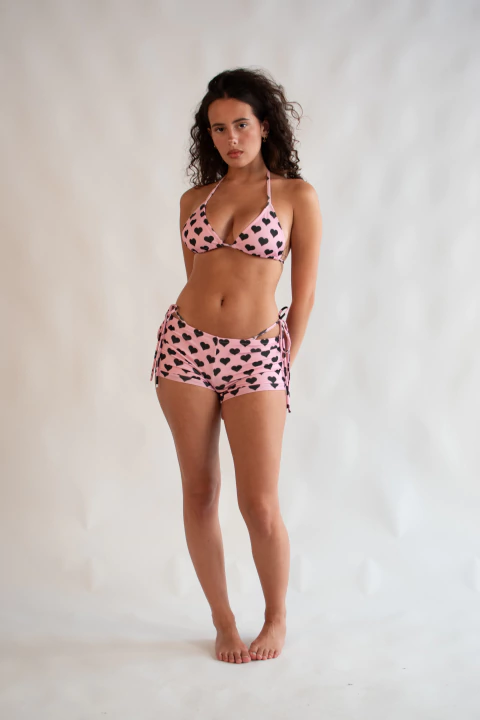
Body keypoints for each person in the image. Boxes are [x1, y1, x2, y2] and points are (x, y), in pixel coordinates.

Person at [150, 68, 322, 663]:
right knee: (200, 492)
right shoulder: (194, 200)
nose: (231, 139)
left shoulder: (296, 196)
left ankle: (275, 618)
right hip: (185, 349)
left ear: (265, 125)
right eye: (218, 129)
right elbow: (197, 276)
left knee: (260, 505)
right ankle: (223, 621)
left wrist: (278, 363)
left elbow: (303, 298)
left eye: (241, 125)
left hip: (259, 357)